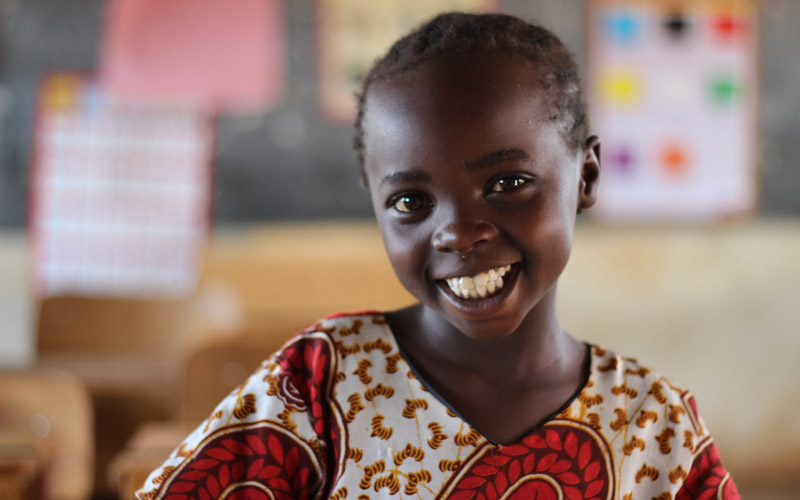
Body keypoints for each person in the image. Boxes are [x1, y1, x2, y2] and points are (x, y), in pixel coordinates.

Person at [136, 12, 739, 500]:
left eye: (507, 183)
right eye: (410, 200)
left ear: (586, 176)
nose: (457, 233)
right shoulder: (319, 388)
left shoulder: (651, 426)